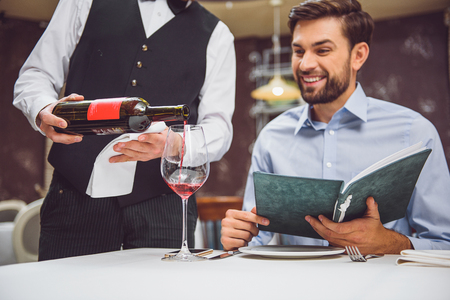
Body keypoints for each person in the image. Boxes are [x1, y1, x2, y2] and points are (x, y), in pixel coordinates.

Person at [221, 0, 450, 254]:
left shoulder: (415, 132)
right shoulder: (271, 138)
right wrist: (239, 237)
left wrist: (388, 243)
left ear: (358, 55)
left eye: (322, 50)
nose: (305, 64)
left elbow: (445, 243)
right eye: (299, 51)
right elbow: (256, 237)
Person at [13, 0, 235, 260]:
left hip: (164, 203)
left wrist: (176, 145)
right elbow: (36, 73)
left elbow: (219, 126)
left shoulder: (218, 35)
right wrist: (43, 108)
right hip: (75, 195)